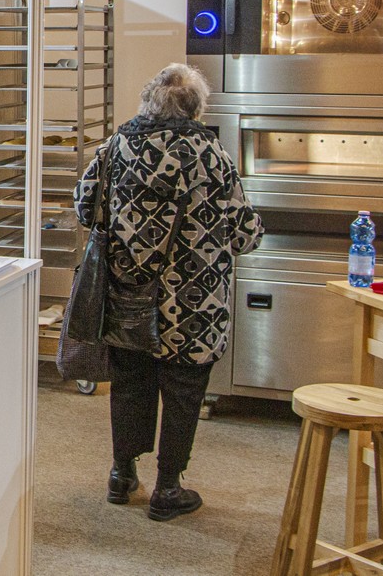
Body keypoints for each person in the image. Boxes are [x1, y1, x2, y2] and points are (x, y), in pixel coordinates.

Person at [75, 63, 262, 522]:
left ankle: (121, 474)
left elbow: (83, 206)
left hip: (129, 295)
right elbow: (244, 233)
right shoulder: (210, 154)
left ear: (147, 101)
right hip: (194, 304)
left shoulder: (116, 146)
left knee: (129, 383)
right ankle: (168, 488)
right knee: (183, 391)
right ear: (196, 109)